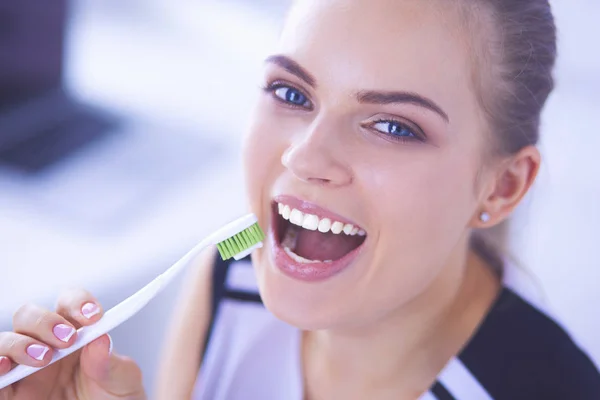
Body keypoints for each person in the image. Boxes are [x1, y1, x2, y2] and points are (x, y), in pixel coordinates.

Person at [1, 0, 599, 398]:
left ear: (502, 185)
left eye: (393, 126)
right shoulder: (227, 281)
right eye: (291, 92)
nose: (304, 158)